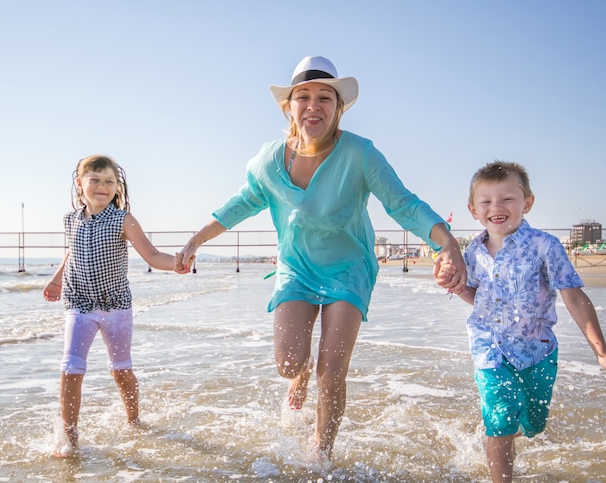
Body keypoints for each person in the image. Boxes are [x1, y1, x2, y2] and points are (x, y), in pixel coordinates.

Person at [176, 56, 466, 463]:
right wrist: (195, 241)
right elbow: (239, 204)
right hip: (296, 267)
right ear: (288, 106)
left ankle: (320, 453)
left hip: (349, 268)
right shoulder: (268, 161)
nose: (314, 105)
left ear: (338, 106)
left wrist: (445, 242)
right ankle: (299, 373)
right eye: (304, 97)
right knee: (289, 362)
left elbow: (402, 203)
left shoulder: (360, 154)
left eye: (325, 97)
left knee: (331, 371)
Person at [436, 161, 606, 482]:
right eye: (486, 201)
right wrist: (457, 287)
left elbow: (573, 296)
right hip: (490, 351)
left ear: (527, 202)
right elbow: (477, 296)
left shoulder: (545, 246)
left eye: (507, 199)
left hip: (537, 353)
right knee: (500, 419)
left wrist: (599, 347)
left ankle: (507, 437)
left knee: (533, 425)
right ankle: (499, 462)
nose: (496, 207)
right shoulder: (472, 251)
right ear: (474, 210)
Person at [43, 155, 179, 457]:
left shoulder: (123, 220)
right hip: (79, 304)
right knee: (70, 368)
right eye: (95, 180)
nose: (102, 186)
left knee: (120, 370)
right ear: (80, 183)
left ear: (118, 187)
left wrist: (177, 264)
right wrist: (56, 280)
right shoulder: (70, 219)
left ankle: (134, 419)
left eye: (109, 181)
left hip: (116, 307)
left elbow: (153, 255)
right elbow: (71, 252)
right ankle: (69, 438)